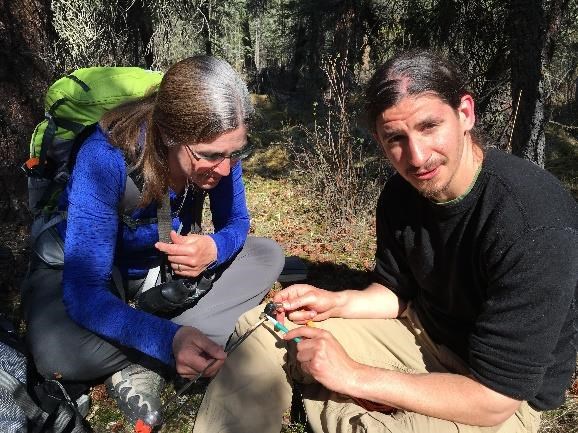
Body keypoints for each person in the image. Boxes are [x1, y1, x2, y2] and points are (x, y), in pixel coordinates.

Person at [191, 49, 578, 433]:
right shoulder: (401, 194)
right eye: (396, 137)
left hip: (499, 396)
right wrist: (337, 301)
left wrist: (353, 376)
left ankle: (342, 401)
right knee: (269, 330)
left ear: (465, 113)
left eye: (429, 126)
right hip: (423, 337)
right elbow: (397, 292)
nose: (418, 156)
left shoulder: (532, 221)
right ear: (379, 138)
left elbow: (496, 399)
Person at [21, 55, 284, 425]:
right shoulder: (105, 156)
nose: (225, 169)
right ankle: (172, 343)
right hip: (99, 274)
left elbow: (237, 222)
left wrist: (213, 248)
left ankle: (149, 342)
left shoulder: (220, 151)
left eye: (235, 153)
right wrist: (165, 339)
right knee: (56, 353)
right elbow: (84, 291)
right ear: (168, 134)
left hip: (162, 278)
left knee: (267, 256)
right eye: (210, 156)